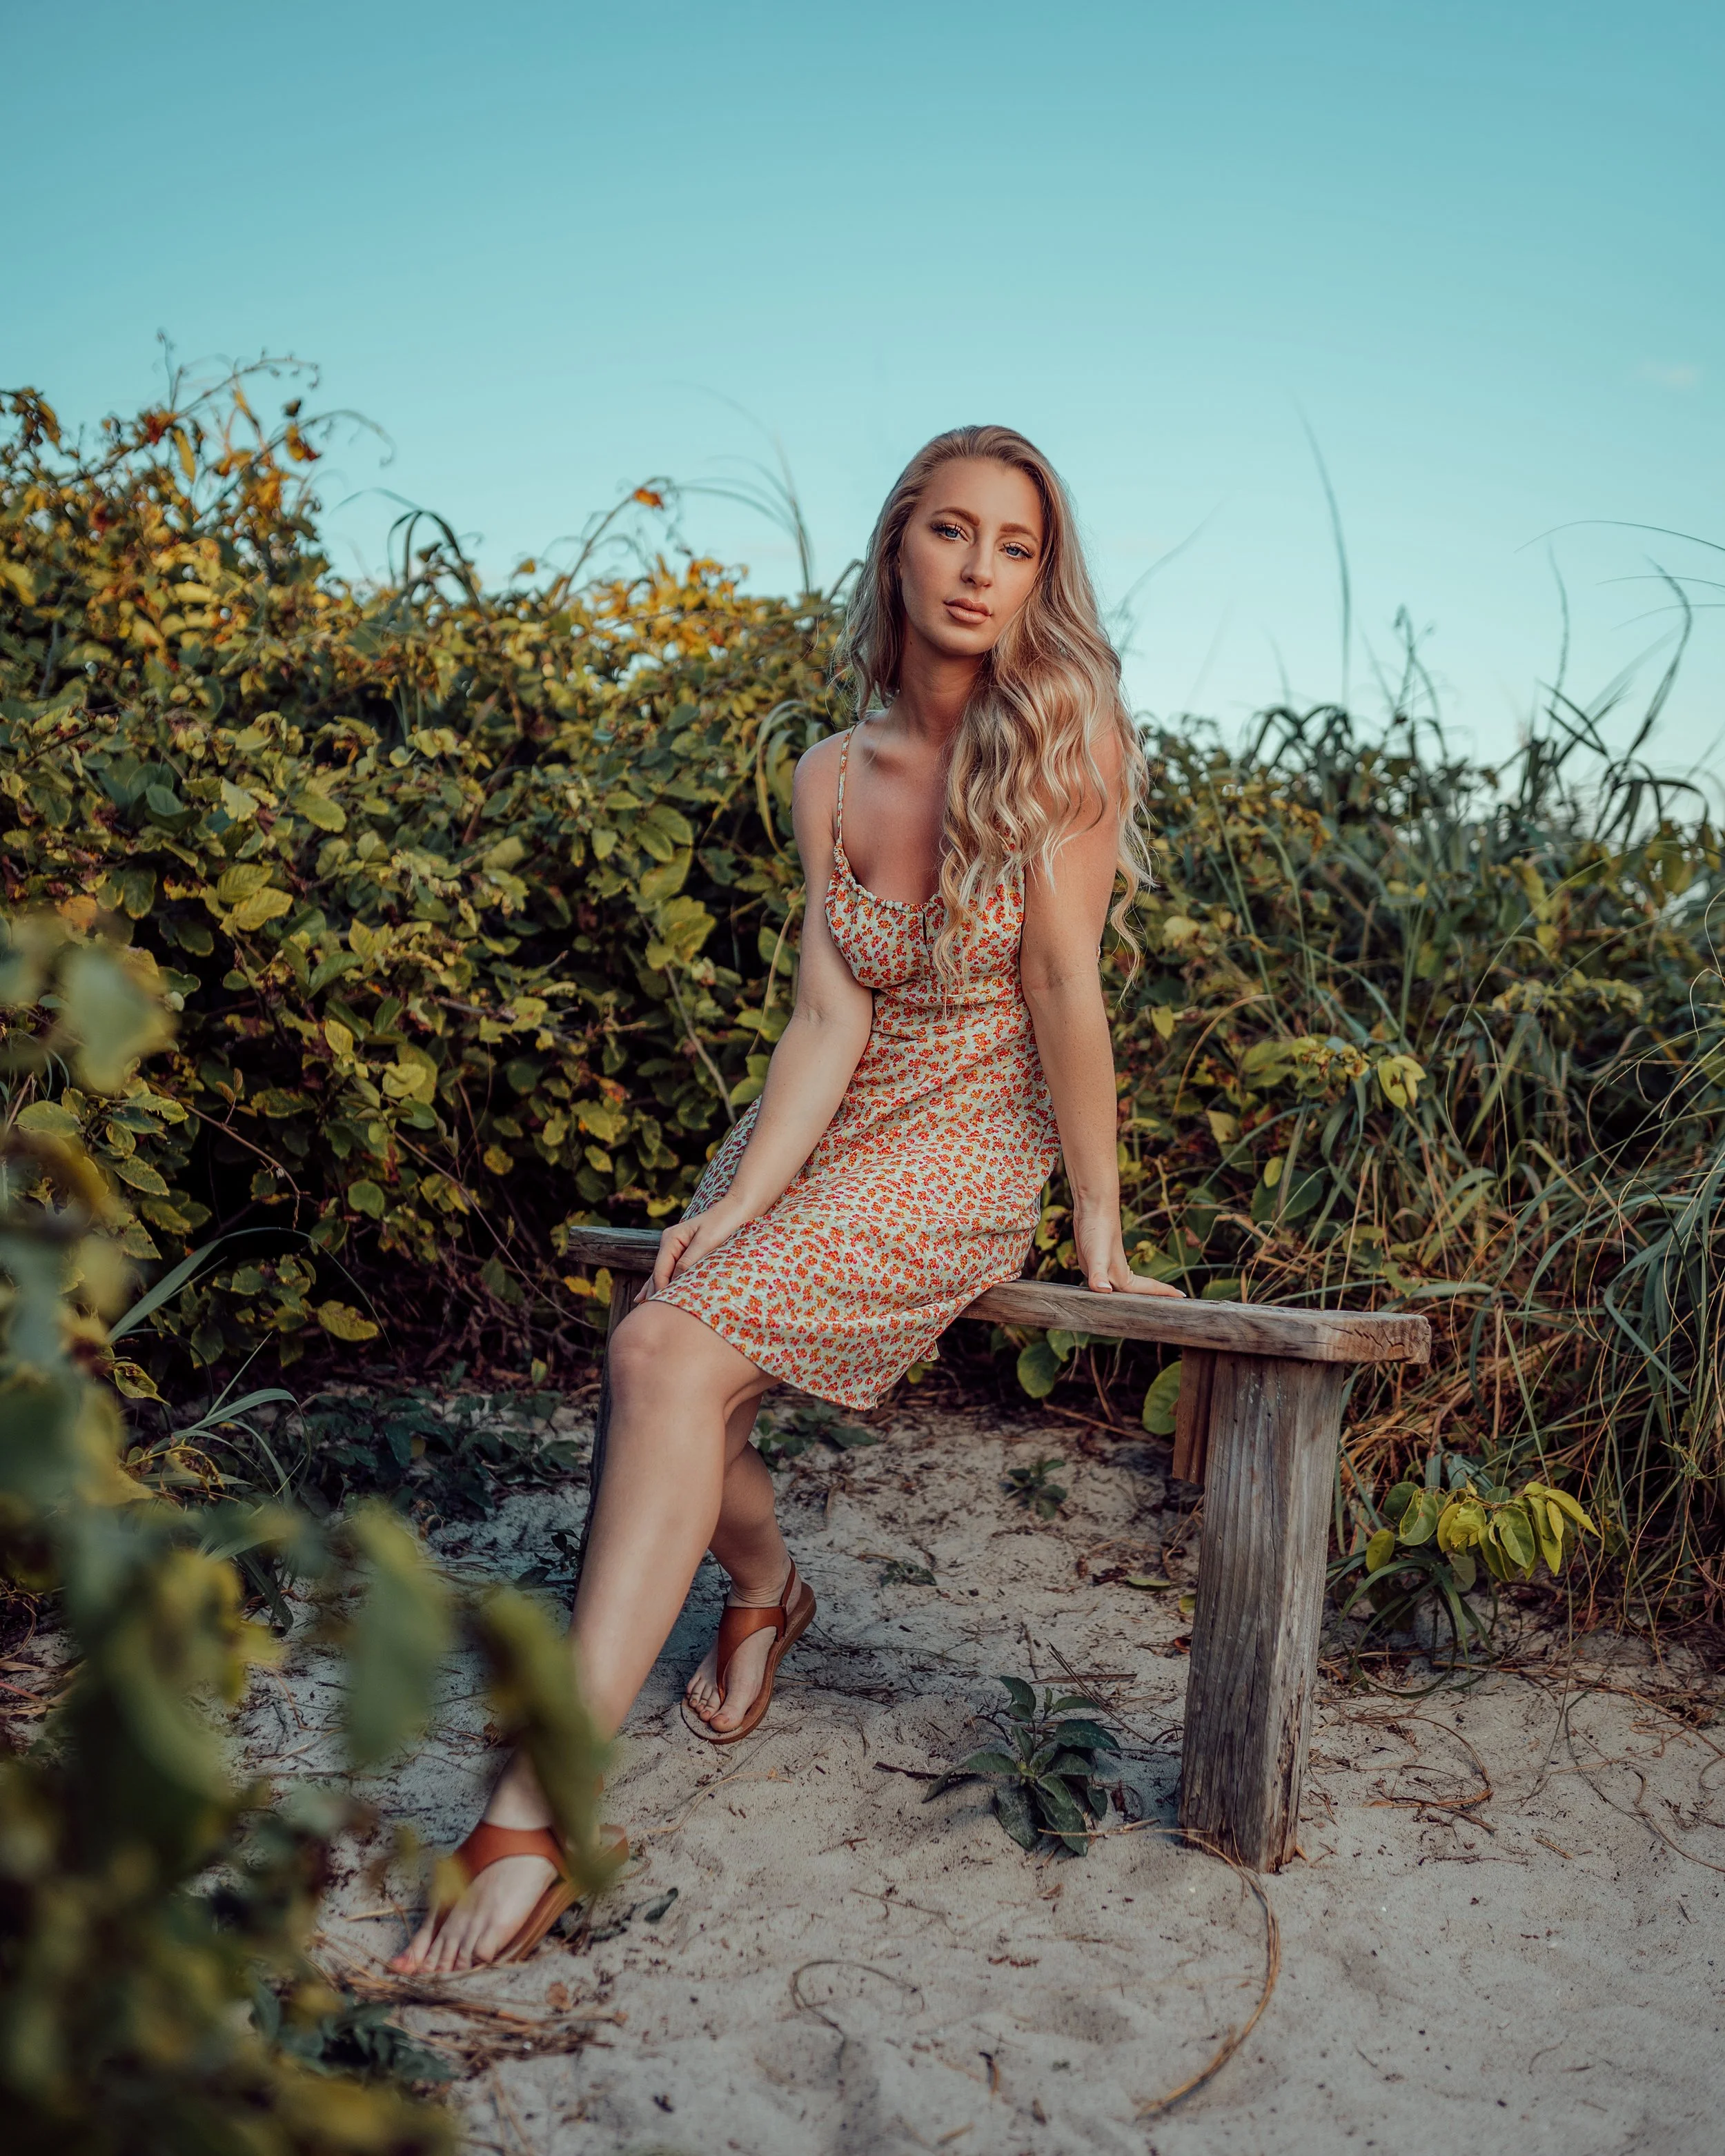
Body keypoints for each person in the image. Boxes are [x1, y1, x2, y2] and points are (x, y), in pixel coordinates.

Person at [391, 423, 1184, 1974]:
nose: (978, 570)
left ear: (1039, 578)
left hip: (962, 1133)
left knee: (661, 1357)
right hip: (827, 1119)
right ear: (897, 546)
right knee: (668, 1337)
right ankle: (765, 1588)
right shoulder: (827, 769)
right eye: (951, 532)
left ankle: (538, 1803)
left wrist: (1097, 1221)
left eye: (1013, 546)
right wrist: (742, 1193)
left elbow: (1064, 990)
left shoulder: (1063, 742)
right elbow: (825, 1018)